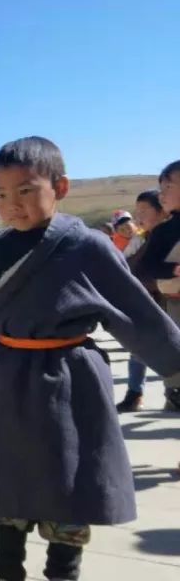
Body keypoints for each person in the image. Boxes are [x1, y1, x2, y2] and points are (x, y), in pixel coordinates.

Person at [0, 137, 180, 581]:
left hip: (68, 379)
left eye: (26, 190)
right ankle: (6, 571)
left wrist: (175, 365)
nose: (12, 205)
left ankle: (63, 572)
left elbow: (134, 312)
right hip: (7, 380)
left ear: (60, 187)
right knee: (8, 487)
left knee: (70, 484)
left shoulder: (87, 246)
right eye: (1, 194)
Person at [134, 158, 180, 412]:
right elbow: (145, 268)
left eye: (168, 187)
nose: (162, 195)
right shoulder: (166, 230)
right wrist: (174, 269)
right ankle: (176, 392)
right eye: (160, 189)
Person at [118, 190, 171, 412]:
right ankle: (134, 393)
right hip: (147, 301)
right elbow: (129, 265)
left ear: (161, 211)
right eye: (136, 211)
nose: (138, 216)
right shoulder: (141, 239)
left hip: (168, 301)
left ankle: (172, 392)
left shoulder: (166, 236)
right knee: (137, 348)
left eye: (144, 211)